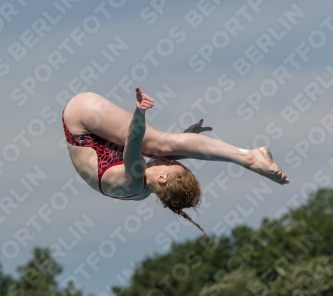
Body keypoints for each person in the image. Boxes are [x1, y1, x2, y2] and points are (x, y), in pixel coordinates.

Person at [62, 88, 289, 237]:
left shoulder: (133, 179)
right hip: (97, 135)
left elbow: (134, 138)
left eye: (170, 164)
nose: (167, 161)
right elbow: (165, 153)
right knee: (164, 146)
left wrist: (139, 112)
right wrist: (188, 137)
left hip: (82, 117)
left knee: (160, 144)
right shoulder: (147, 186)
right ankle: (247, 156)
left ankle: (248, 158)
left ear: (162, 178)